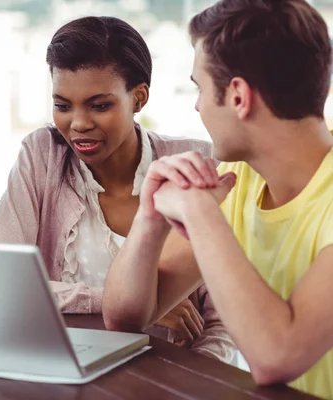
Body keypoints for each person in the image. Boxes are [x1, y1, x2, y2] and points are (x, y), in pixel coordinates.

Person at [103, 0, 333, 397]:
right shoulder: (240, 181)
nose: (197, 106)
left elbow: (276, 356)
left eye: (202, 88)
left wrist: (197, 212)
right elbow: (124, 316)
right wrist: (150, 217)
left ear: (239, 97)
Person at [0, 16, 235, 362]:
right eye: (62, 105)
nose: (78, 124)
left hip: (172, 378)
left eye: (99, 105)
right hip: (62, 369)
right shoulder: (42, 155)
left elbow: (223, 322)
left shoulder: (195, 163)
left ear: (139, 98)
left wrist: (190, 380)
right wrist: (126, 302)